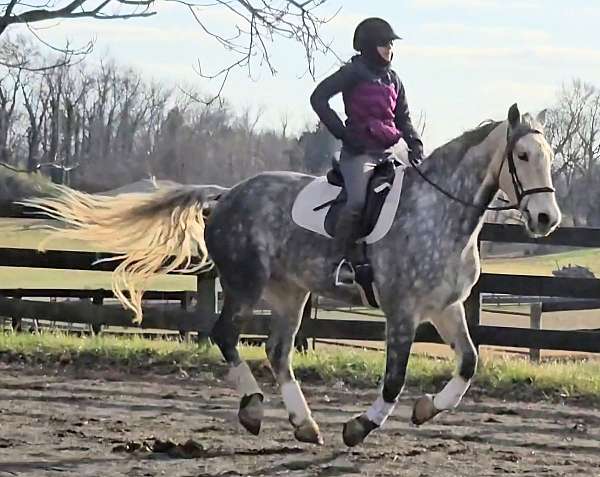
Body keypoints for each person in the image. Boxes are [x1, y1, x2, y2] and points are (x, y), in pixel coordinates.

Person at [310, 17, 424, 286]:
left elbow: (403, 118)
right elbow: (318, 98)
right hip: (358, 155)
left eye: (391, 45)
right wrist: (342, 132)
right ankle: (339, 261)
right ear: (370, 46)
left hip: (389, 153)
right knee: (356, 203)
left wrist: (415, 143)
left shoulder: (394, 79)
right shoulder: (353, 72)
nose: (390, 50)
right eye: (385, 44)